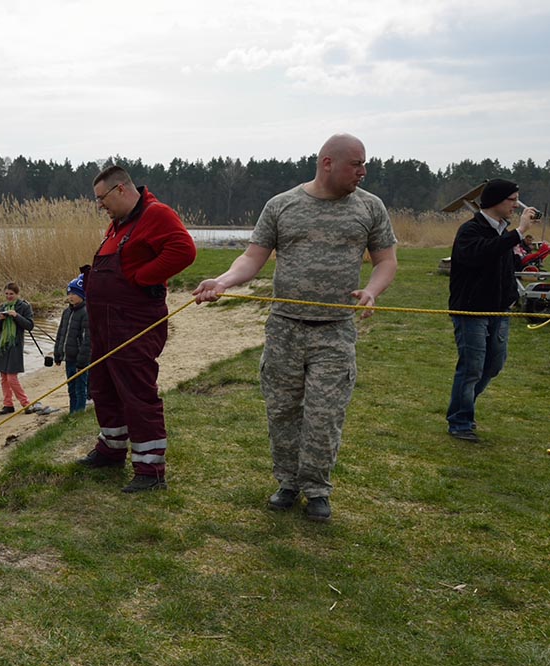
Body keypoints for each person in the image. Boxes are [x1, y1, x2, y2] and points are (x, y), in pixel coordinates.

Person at [192, 133, 398, 522]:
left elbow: (386, 260)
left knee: (324, 414)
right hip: (285, 328)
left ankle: (317, 489)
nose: (363, 172)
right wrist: (222, 281)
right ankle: (287, 483)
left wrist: (372, 290)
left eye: (364, 164)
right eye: (356, 164)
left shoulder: (370, 207)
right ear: (327, 163)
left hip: (335, 331)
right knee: (283, 411)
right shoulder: (282, 205)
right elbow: (252, 258)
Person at [79, 166, 197, 493]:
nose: (100, 205)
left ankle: (150, 469)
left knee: (136, 392)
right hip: (105, 325)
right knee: (103, 386)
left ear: (120, 189)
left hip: (133, 323)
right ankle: (111, 449)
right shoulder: (119, 223)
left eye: (101, 198)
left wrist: (142, 278)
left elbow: (184, 251)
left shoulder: (156, 214)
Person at [445, 179, 537, 442]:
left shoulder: (503, 232)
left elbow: (505, 264)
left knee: (494, 365)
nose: (516, 206)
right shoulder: (471, 230)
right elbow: (480, 255)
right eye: (512, 200)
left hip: (499, 311)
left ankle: (462, 404)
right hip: (471, 311)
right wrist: (518, 232)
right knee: (472, 367)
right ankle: (460, 421)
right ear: (496, 200)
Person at [0, 282, 35, 414]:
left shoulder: (24, 307)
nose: (9, 296)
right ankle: (8, 404)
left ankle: (26, 404)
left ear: (17, 294)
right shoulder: (2, 307)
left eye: (11, 294)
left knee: (11, 378)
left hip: (15, 346)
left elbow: (30, 326)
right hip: (2, 346)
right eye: (7, 294)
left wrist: (16, 315)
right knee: (3, 377)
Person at [54, 270, 91, 413]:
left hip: (79, 359)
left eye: (74, 293)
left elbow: (87, 340)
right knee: (71, 388)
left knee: (80, 388)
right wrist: (57, 354)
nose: (70, 296)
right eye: (69, 293)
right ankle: (72, 412)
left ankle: (79, 413)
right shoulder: (66, 312)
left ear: (82, 294)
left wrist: (82, 361)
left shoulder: (86, 313)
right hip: (68, 358)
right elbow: (60, 334)